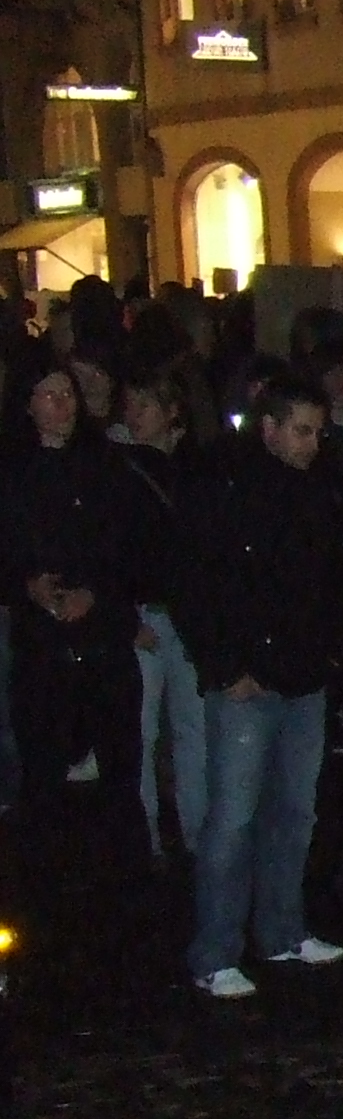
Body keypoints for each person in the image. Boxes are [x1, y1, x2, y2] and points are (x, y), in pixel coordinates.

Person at [179, 379, 343, 997]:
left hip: (304, 679)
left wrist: (332, 653)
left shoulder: (318, 495)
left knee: (294, 811)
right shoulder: (227, 491)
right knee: (233, 818)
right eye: (301, 430)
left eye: (318, 432)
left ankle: (282, 929)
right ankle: (215, 950)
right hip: (247, 682)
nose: (312, 443)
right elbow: (198, 582)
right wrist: (224, 666)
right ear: (269, 427)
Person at [5, 365, 143, 866]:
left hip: (103, 643)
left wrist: (96, 593)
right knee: (44, 772)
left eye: (68, 394)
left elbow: (130, 548)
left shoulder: (106, 466)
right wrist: (27, 585)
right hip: (42, 647)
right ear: (28, 405)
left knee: (119, 772)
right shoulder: (14, 472)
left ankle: (123, 873)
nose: (63, 405)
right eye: (50, 395)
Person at [115, 372, 205, 866]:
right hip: (145, 612)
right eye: (130, 406)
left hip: (183, 615)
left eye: (144, 406)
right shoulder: (120, 470)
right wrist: (126, 617)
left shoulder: (192, 470)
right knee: (144, 730)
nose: (134, 416)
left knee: (192, 731)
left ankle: (196, 835)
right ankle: (146, 836)